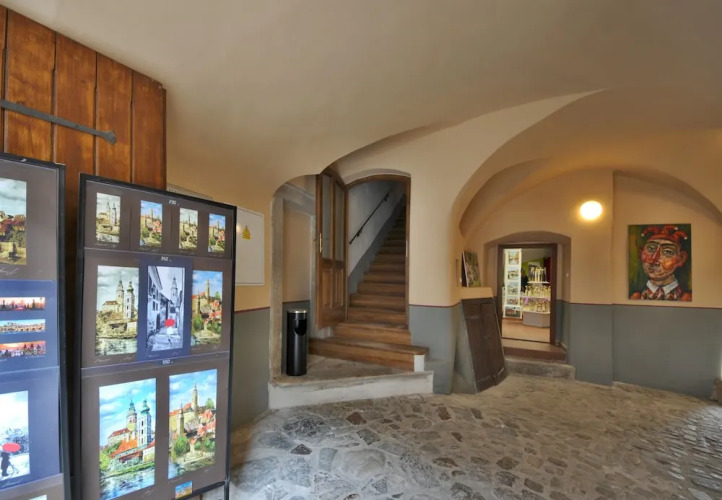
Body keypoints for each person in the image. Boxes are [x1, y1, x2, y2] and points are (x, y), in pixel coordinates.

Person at [630, 225, 691, 301]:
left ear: (681, 259)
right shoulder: (636, 297)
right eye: (650, 249)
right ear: (641, 253)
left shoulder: (686, 298)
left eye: (668, 252)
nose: (653, 259)